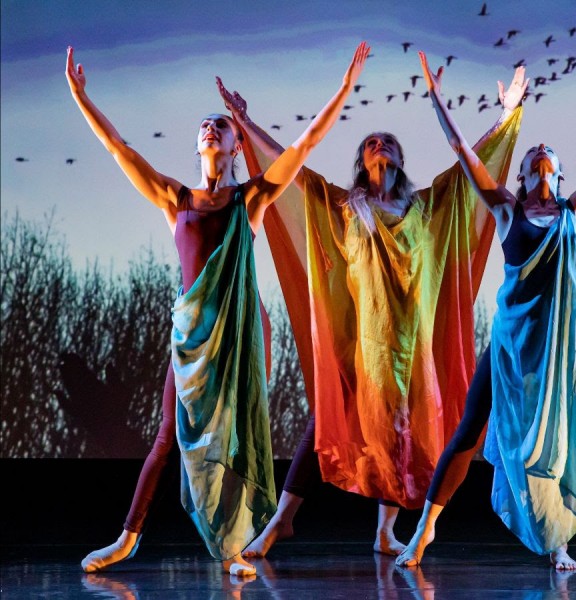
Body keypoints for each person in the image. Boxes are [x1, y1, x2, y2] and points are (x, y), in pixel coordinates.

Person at [66, 42, 370, 576]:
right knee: (168, 438)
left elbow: (303, 145)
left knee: (236, 437)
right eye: (205, 126)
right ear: (198, 146)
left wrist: (344, 88)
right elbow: (118, 148)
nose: (211, 129)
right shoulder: (174, 198)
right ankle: (126, 539)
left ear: (234, 147)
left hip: (238, 334)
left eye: (220, 127)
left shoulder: (250, 199)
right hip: (192, 339)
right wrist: (80, 96)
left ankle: (236, 546)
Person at [216, 63, 527, 557]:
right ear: (363, 161)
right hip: (364, 341)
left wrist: (507, 115)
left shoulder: (429, 206)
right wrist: (248, 128)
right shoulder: (345, 207)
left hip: (414, 345)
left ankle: (384, 531)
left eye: (387, 142)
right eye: (370, 143)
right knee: (328, 420)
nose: (378, 144)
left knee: (402, 435)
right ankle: (280, 522)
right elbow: (289, 169)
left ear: (401, 158)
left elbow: (476, 166)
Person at [396, 51, 576, 570]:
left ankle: (560, 542)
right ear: (525, 175)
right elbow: (463, 152)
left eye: (548, 156)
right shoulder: (508, 211)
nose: (539, 156)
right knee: (467, 431)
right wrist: (437, 97)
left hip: (554, 353)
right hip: (509, 346)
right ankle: (423, 533)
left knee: (560, 442)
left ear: (559, 171)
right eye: (532, 158)